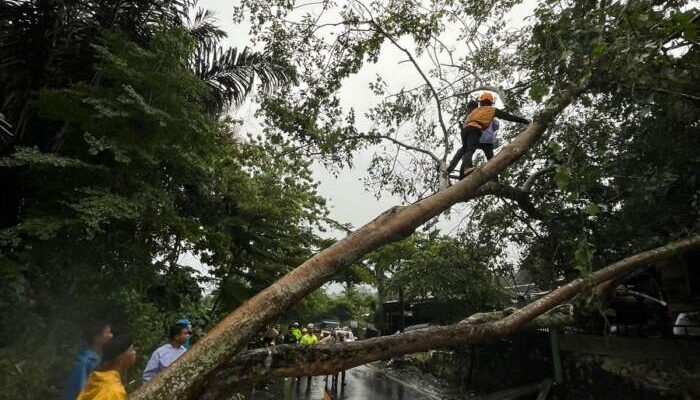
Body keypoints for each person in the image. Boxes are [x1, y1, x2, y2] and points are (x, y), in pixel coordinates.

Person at [459, 92, 530, 178]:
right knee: (475, 152)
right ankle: (469, 169)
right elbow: (508, 117)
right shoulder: (492, 110)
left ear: (480, 102)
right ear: (490, 102)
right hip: (475, 129)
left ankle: (462, 175)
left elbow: (466, 121)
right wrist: (524, 121)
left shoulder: (475, 110)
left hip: (465, 130)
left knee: (467, 150)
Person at [61, 322, 113, 400]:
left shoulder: (101, 357)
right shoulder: (83, 363)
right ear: (97, 338)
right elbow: (80, 393)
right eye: (108, 333)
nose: (111, 336)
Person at [77, 335, 136, 400]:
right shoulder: (115, 392)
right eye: (131, 350)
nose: (134, 353)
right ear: (120, 358)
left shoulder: (97, 378)